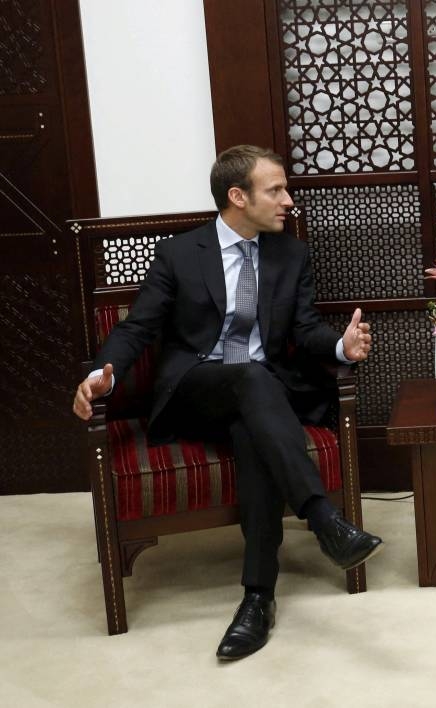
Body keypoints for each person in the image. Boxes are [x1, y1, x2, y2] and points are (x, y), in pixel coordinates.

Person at [72, 145, 383, 661]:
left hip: (256, 398)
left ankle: (257, 599)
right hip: (195, 390)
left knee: (252, 424)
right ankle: (323, 518)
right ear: (238, 197)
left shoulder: (290, 253)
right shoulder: (179, 254)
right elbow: (137, 327)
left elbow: (304, 329)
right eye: (275, 190)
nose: (288, 201)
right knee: (251, 382)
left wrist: (339, 348)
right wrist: (99, 376)